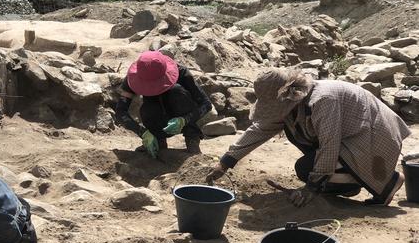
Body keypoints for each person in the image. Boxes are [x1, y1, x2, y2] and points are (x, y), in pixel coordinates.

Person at [206, 69, 410, 207]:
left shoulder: (323, 99)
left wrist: (311, 188)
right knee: (303, 149)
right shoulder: (296, 102)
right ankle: (345, 183)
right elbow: (260, 129)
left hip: (373, 138)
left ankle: (388, 183)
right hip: (353, 139)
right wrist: (226, 161)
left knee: (306, 169)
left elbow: (329, 143)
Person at [115, 51, 212, 156]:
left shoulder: (182, 72)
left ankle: (192, 138)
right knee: (148, 107)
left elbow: (206, 104)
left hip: (181, 112)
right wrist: (143, 133)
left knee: (177, 91)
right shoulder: (134, 78)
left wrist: (184, 120)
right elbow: (120, 112)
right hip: (156, 115)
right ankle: (157, 139)